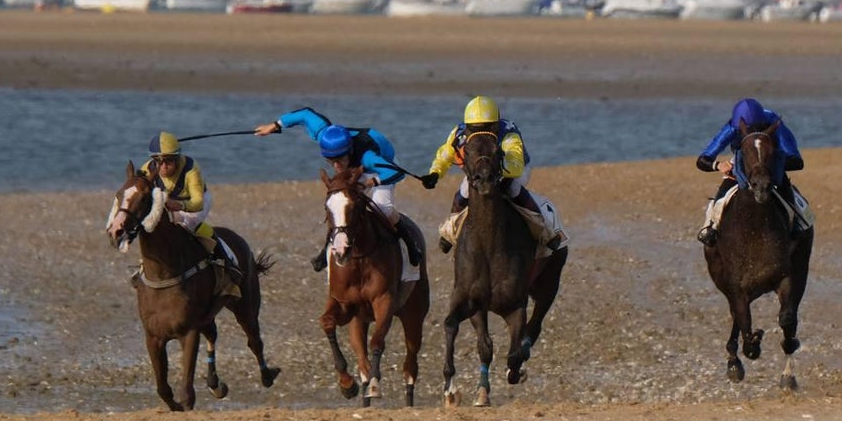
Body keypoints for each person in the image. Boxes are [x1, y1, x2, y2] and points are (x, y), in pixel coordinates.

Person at [254, 107, 423, 271]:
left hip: (383, 167)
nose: (336, 166)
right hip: (358, 164)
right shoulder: (324, 135)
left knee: (383, 207)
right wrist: (274, 125)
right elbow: (305, 114)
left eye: (340, 160)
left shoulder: (368, 157)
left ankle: (410, 244)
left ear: (349, 152)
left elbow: (397, 173)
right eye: (330, 161)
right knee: (339, 204)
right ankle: (326, 249)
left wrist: (370, 182)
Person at [419, 95, 562, 252]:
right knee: (464, 191)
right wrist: (434, 174)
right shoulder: (458, 134)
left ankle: (546, 231)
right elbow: (444, 155)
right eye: (474, 129)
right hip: (480, 173)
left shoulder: (508, 133)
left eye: (486, 127)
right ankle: (450, 231)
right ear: (467, 127)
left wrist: (495, 171)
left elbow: (515, 164)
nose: (481, 133)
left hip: (511, 170)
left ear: (496, 125)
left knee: (512, 188)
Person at [695, 97, 811, 246]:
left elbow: (796, 161)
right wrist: (718, 165)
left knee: (786, 189)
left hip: (771, 162)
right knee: (722, 196)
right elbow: (702, 160)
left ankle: (798, 223)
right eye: (746, 131)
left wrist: (768, 164)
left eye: (756, 128)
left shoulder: (774, 121)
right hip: (743, 162)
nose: (752, 132)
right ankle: (711, 226)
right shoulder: (732, 127)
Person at [139, 132, 238, 280]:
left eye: (169, 162)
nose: (164, 167)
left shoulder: (191, 169)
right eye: (159, 162)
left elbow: (197, 203)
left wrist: (179, 205)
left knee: (185, 226)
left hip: (195, 203)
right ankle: (145, 266)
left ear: (177, 159)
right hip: (169, 204)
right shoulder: (146, 170)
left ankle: (226, 259)